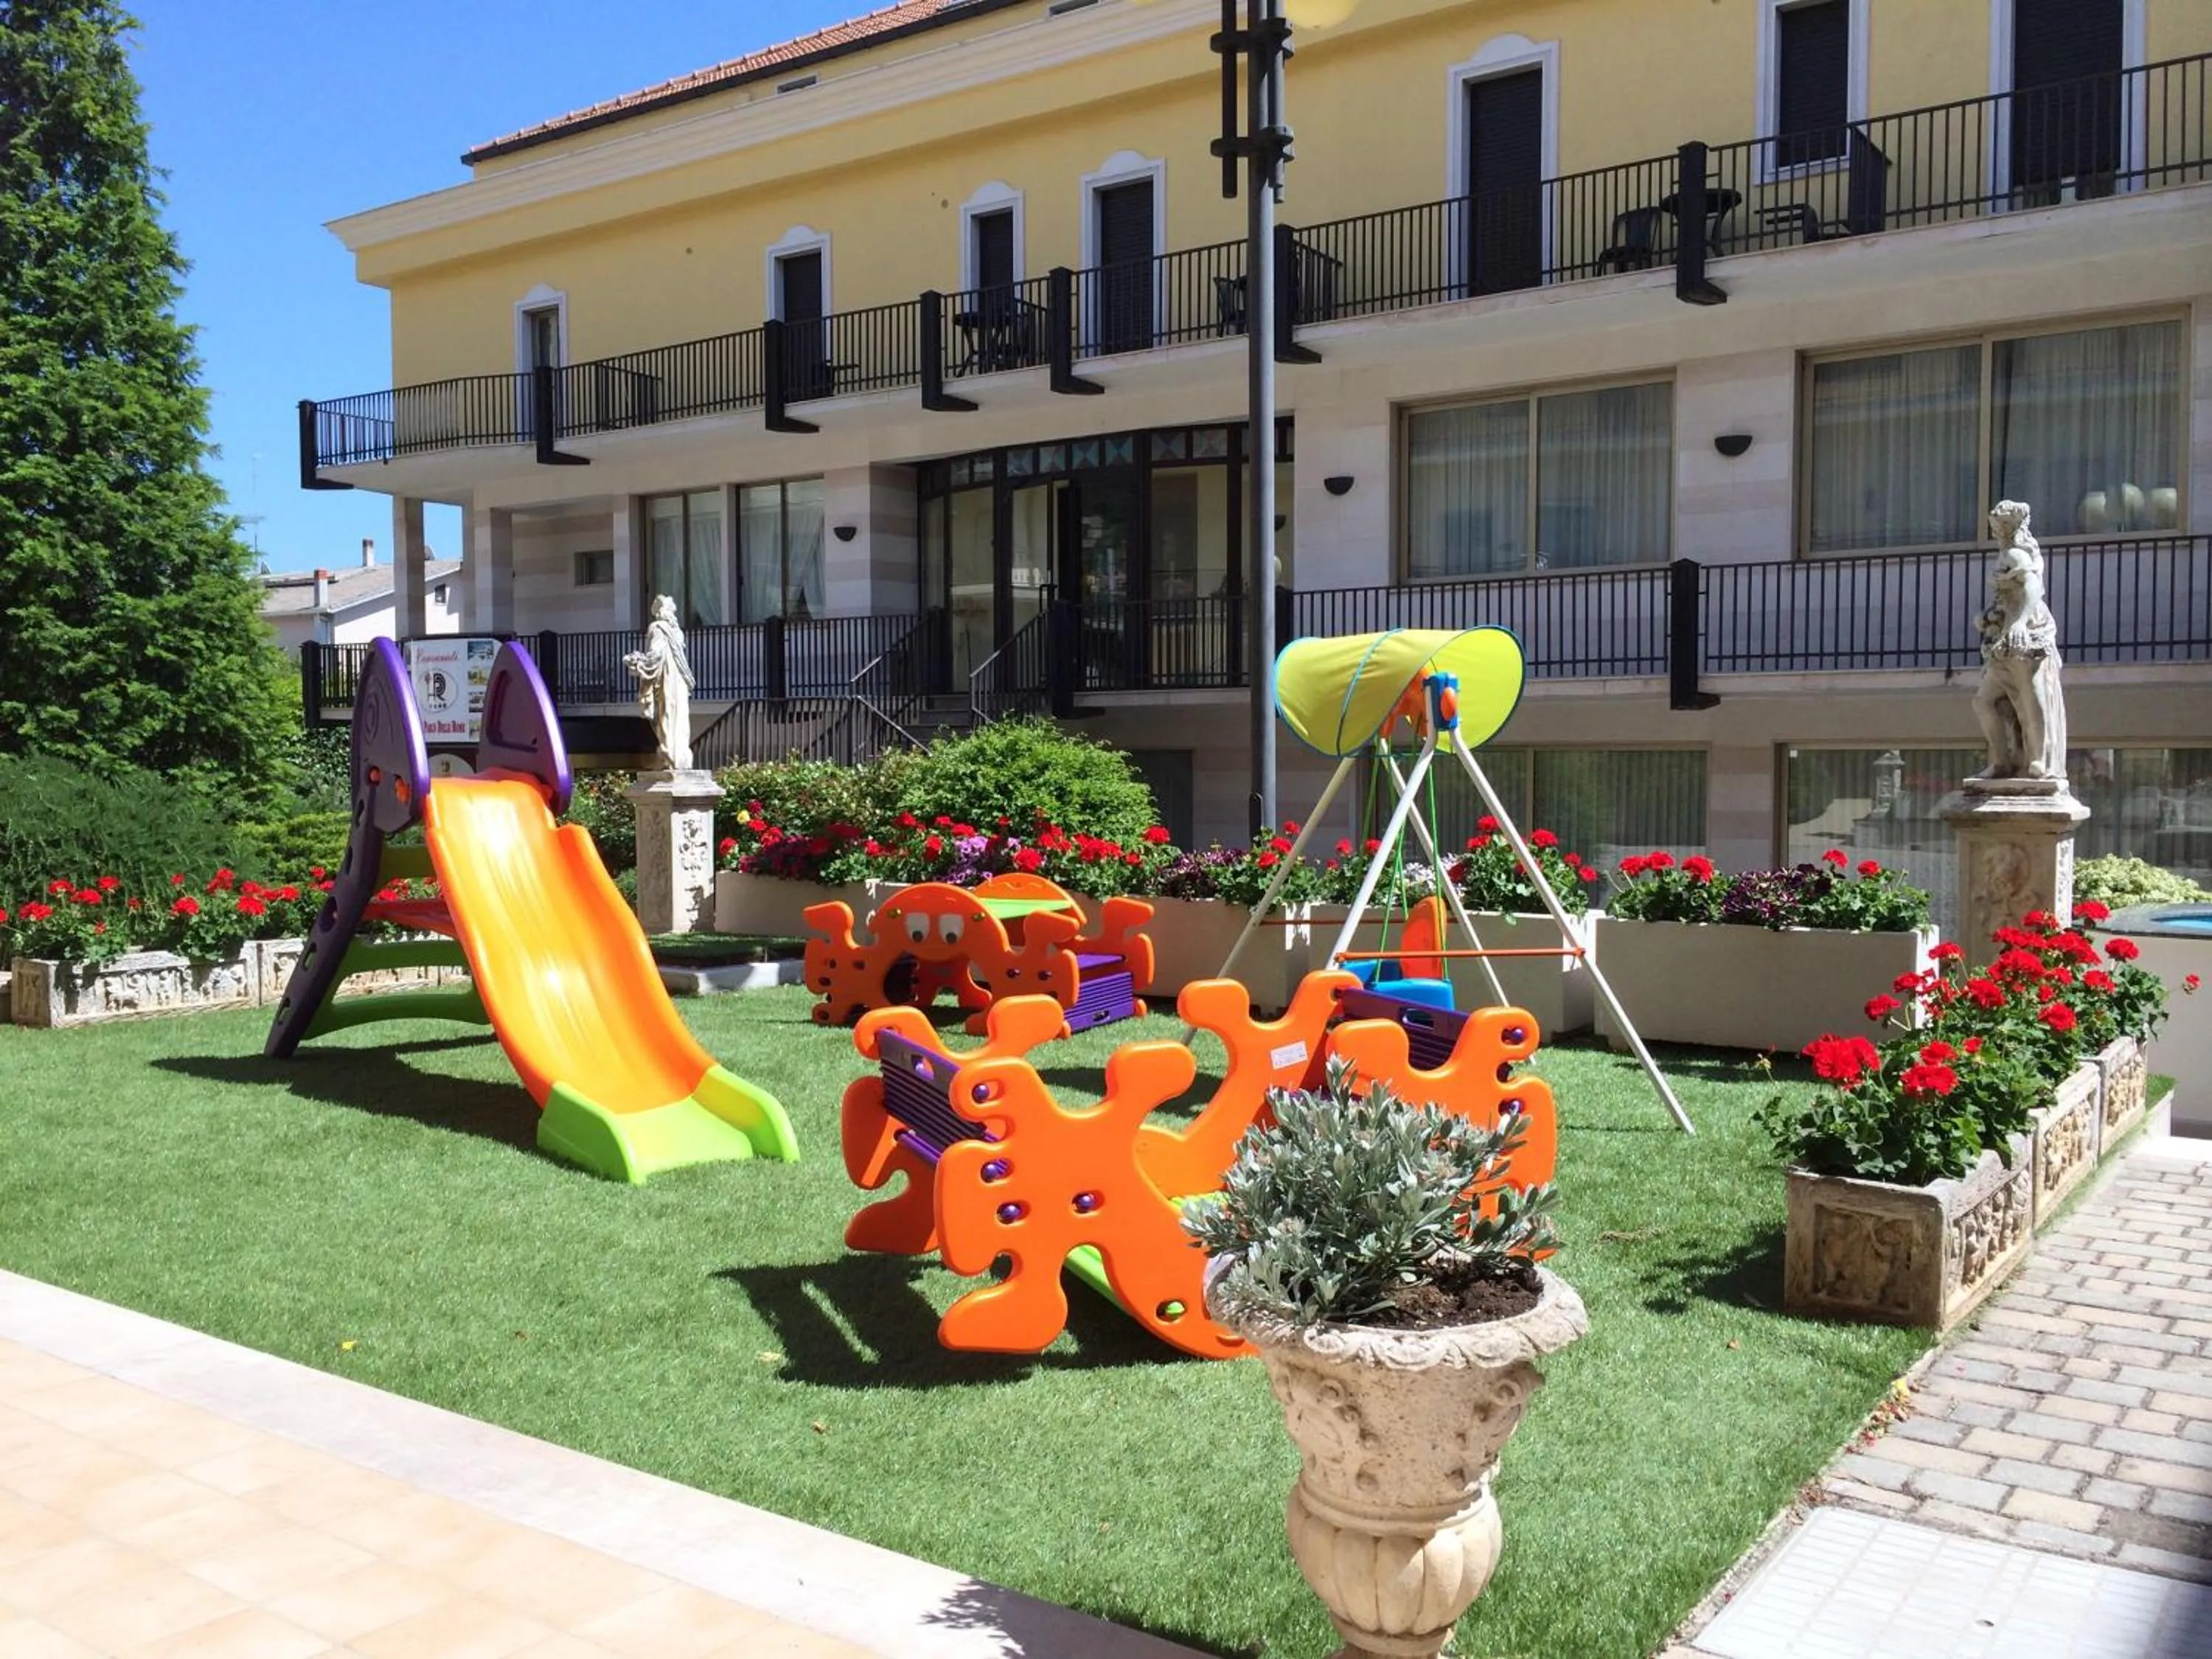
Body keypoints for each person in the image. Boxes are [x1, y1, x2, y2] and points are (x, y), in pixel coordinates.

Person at [624, 594, 696, 771]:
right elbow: (655, 655)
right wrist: (640, 662)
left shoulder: (671, 630)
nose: (674, 612)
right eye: (672, 609)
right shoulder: (659, 628)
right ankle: (671, 754)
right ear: (665, 611)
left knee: (674, 715)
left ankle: (676, 755)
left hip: (676, 678)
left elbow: (654, 657)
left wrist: (639, 662)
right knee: (669, 714)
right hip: (669, 678)